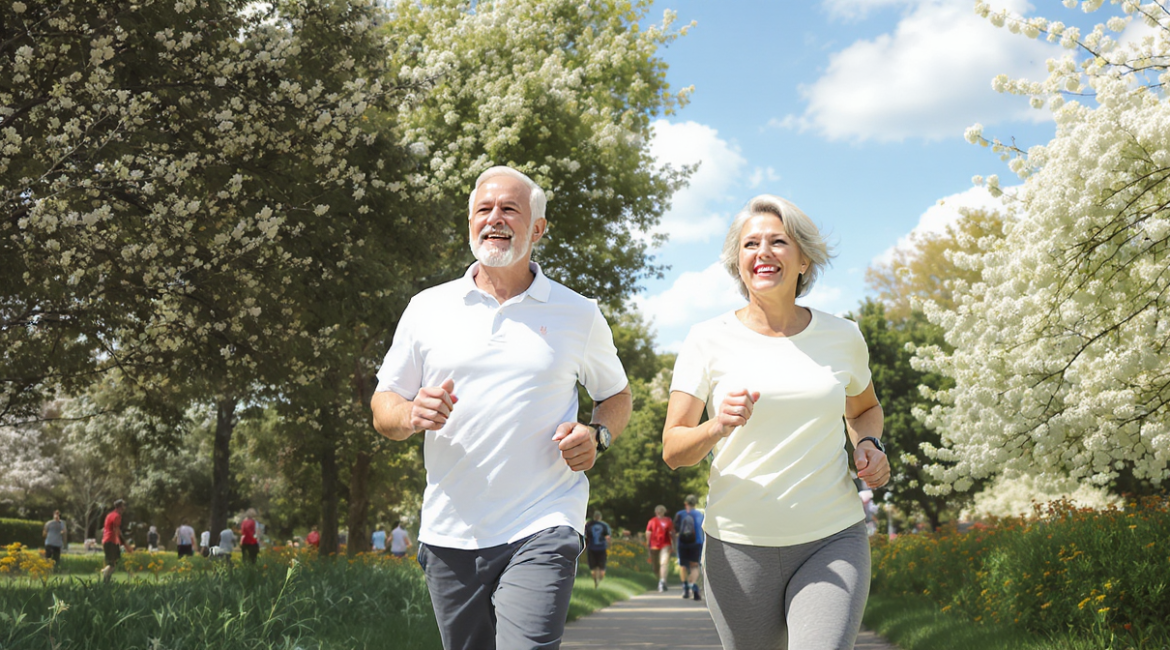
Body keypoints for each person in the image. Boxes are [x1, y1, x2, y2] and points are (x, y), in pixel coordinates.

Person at [370, 166, 632, 650]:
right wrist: (409, 415)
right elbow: (383, 404)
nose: (495, 218)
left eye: (510, 208)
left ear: (537, 228)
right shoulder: (427, 307)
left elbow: (615, 395)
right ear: (470, 222)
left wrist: (597, 436)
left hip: (544, 520)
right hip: (452, 529)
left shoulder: (577, 312)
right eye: (483, 209)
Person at [663, 194, 890, 650]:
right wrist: (715, 427)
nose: (762, 252)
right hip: (738, 544)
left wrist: (870, 445)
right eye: (750, 244)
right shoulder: (707, 339)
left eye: (778, 241)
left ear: (804, 258)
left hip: (832, 536)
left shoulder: (843, 336)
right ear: (738, 262)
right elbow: (673, 449)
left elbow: (864, 409)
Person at [674, 494, 705, 601]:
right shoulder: (700, 515)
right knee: (694, 566)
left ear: (685, 503)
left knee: (683, 566)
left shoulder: (679, 514)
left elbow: (676, 530)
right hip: (697, 543)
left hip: (683, 543)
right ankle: (694, 586)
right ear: (695, 503)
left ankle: (685, 588)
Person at [645, 504, 675, 592]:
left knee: (663, 563)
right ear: (656, 512)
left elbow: (671, 532)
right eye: (659, 511)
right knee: (656, 566)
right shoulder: (652, 521)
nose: (659, 512)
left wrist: (673, 543)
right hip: (655, 545)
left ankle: (662, 582)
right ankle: (661, 581)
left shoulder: (668, 521)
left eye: (661, 511)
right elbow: (648, 532)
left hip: (665, 544)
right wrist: (648, 543)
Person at [583, 510, 611, 588]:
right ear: (600, 517)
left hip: (591, 548)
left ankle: (596, 582)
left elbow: (585, 536)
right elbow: (608, 537)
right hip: (602, 548)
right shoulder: (604, 525)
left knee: (593, 567)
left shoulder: (588, 525)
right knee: (602, 567)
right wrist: (609, 545)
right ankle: (599, 582)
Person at [101, 499, 127, 582]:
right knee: (112, 564)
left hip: (107, 540)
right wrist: (124, 543)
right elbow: (117, 530)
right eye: (123, 506)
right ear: (120, 507)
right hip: (111, 541)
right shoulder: (117, 516)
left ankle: (107, 581)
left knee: (113, 563)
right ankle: (105, 575)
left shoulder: (110, 515)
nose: (124, 508)